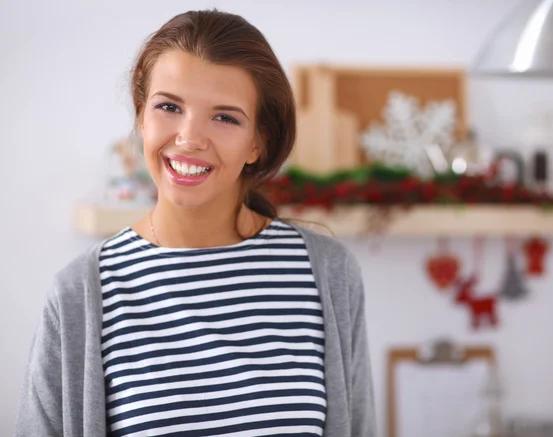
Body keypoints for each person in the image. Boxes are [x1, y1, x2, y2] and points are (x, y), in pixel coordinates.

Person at [15, 9, 375, 437]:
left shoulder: (329, 275)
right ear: (141, 116)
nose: (189, 138)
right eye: (169, 106)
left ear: (258, 141)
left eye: (225, 117)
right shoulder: (80, 296)